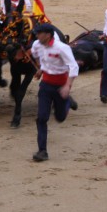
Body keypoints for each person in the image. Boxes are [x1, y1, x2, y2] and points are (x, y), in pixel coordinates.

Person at [30, 23, 79, 162]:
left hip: (60, 86)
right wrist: (41, 69)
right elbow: (36, 55)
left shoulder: (62, 48)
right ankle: (42, 151)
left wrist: (67, 86)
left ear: (48, 35)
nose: (37, 35)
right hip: (45, 85)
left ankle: (68, 101)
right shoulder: (37, 44)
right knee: (41, 118)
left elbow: (73, 66)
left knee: (60, 117)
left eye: (39, 33)